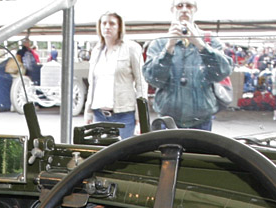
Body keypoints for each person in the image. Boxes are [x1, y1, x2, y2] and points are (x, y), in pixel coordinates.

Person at [143, 0, 231, 131]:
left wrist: (200, 45)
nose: (184, 9)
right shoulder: (159, 43)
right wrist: (168, 48)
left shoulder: (210, 41)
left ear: (195, 9)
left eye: (188, 5)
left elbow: (222, 71)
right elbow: (153, 79)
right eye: (179, 6)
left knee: (199, 152)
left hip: (201, 120)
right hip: (168, 120)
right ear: (172, 10)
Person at [83, 12, 147, 140]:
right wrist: (88, 111)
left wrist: (140, 116)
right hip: (99, 114)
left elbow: (141, 83)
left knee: (122, 155)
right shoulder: (96, 51)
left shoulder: (131, 48)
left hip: (124, 115)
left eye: (112, 23)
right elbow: (92, 84)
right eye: (104, 23)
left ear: (119, 27)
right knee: (100, 156)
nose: (107, 27)